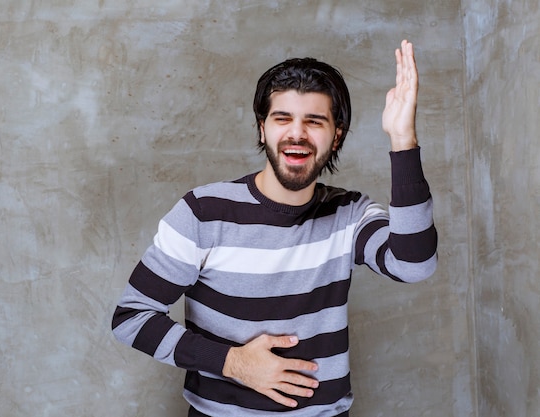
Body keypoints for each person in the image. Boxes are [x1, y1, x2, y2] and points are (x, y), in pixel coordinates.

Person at [112, 40, 437, 416]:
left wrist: (403, 141)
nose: (296, 133)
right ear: (262, 128)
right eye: (282, 118)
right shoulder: (203, 213)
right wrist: (232, 362)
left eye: (314, 121)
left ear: (336, 137)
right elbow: (131, 317)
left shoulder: (350, 214)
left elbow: (415, 265)